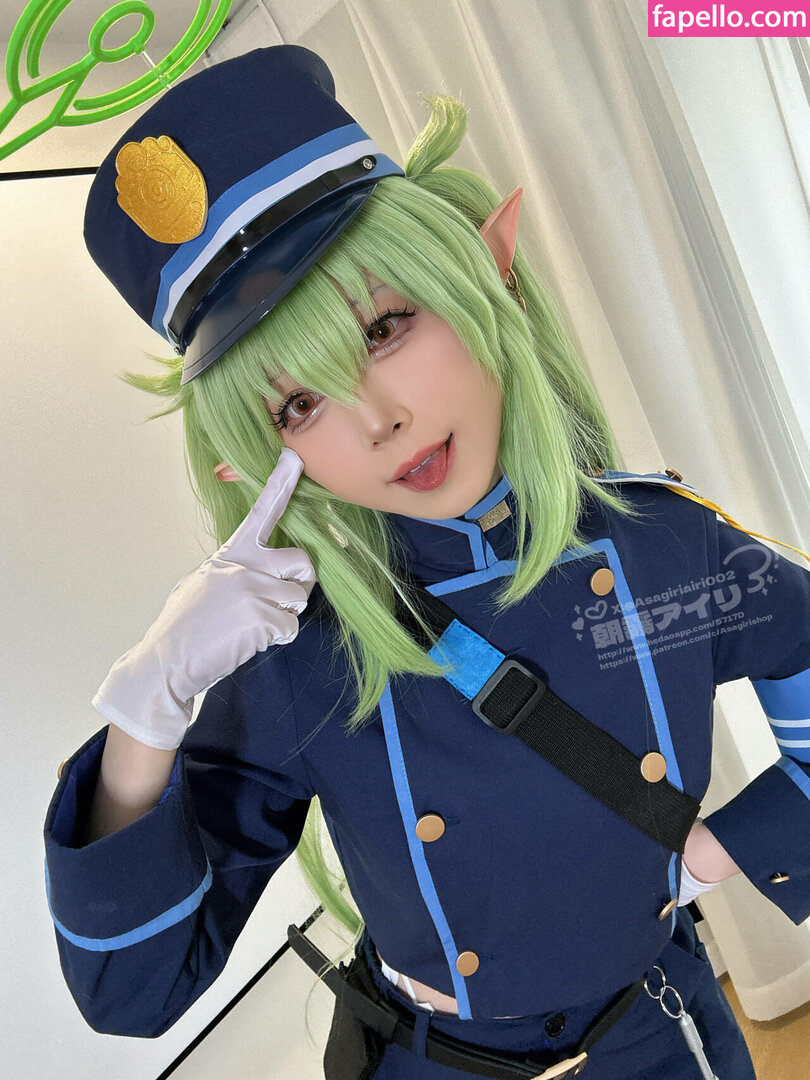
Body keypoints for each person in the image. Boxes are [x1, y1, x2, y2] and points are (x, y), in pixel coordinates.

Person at [43, 45, 810, 1079]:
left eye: (386, 326)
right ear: (257, 457)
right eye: (299, 403)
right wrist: (149, 703)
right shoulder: (302, 653)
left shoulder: (664, 546)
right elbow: (134, 993)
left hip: (652, 1035)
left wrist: (716, 852)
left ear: (490, 271)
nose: (378, 420)